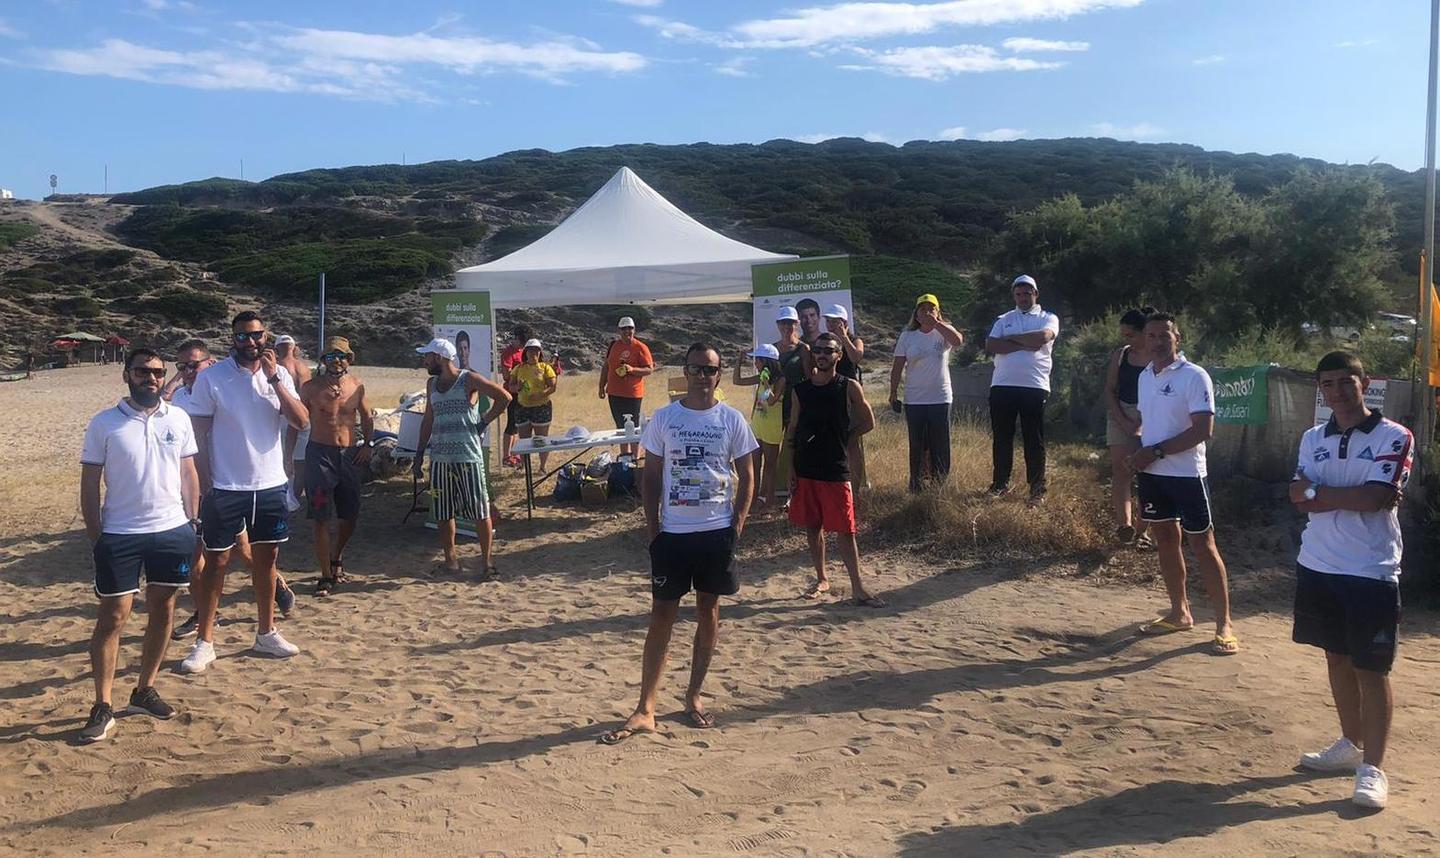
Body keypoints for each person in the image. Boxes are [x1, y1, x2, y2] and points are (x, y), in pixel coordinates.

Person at [600, 343, 757, 745]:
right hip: (672, 534)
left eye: (710, 369)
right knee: (661, 618)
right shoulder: (665, 419)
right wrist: (652, 529)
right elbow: (650, 477)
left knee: (709, 612)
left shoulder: (731, 419)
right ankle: (646, 708)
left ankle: (693, 696)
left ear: (719, 375)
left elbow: (748, 476)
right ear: (685, 372)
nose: (703, 376)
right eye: (696, 369)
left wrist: (736, 524)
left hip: (716, 532)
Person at [1289, 351, 1413, 810]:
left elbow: (1376, 498)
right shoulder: (1310, 437)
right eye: (1328, 384)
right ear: (1320, 389)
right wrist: (1325, 497)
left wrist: (1317, 494)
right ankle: (1349, 743)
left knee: (1372, 670)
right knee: (1336, 659)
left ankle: (1373, 770)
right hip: (1318, 564)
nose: (1338, 391)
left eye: (1347, 381)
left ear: (1365, 383)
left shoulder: (1394, 435)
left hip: (1370, 569)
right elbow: (1295, 495)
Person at [77, 348, 201, 743]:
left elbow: (189, 473)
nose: (151, 378)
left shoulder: (178, 418)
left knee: (164, 608)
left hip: (172, 530)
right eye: (143, 372)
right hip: (120, 533)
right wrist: (97, 536)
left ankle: (144, 689)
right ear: (126, 375)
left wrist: (193, 523)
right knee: (114, 616)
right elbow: (89, 484)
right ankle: (102, 704)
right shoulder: (104, 423)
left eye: (158, 373)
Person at [179, 311, 309, 673]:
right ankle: (205, 641)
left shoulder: (278, 374)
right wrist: (205, 483)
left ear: (265, 336)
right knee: (216, 564)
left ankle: (266, 633)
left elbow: (301, 420)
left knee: (267, 562)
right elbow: (199, 434)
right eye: (242, 337)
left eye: (256, 335)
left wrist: (275, 380)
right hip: (226, 485)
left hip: (269, 485)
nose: (250, 343)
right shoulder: (213, 378)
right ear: (231, 339)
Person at [1128, 313, 1237, 655]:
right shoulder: (1145, 376)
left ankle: (1224, 624)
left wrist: (1155, 451)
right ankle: (1179, 613)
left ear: (1178, 338)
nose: (1158, 342)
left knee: (1203, 545)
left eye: (1165, 335)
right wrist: (1139, 454)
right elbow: (1150, 423)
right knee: (1165, 540)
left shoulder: (1194, 376)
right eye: (1152, 335)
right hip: (1153, 476)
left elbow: (1203, 430)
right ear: (1144, 340)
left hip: (1188, 474)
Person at [164, 339, 287, 639]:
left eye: (194, 364)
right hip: (193, 487)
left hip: (226, 485)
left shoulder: (226, 386)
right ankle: (205, 616)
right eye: (181, 366)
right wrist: (177, 379)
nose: (188, 371)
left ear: (211, 362)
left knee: (244, 551)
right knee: (198, 557)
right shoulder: (180, 397)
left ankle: (276, 587)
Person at [787, 333, 885, 607]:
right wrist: (791, 466)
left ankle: (858, 587)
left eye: (828, 351)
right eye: (818, 350)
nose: (822, 355)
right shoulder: (800, 390)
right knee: (812, 525)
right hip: (806, 468)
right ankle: (821, 578)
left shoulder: (849, 386)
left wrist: (849, 438)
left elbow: (869, 421)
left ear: (838, 356)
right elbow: (793, 428)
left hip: (835, 468)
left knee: (845, 529)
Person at [413, 338, 511, 576]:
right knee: (444, 512)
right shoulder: (431, 384)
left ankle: (487, 563)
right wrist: (419, 455)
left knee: (480, 510)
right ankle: (451, 561)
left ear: (439, 357)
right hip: (440, 459)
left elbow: (504, 398)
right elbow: (428, 419)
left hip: (468, 457)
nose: (424, 360)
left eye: (427, 356)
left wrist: (483, 422)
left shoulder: (469, 380)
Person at [299, 337, 374, 596]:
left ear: (349, 359)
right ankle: (325, 575)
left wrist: (368, 444)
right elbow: (294, 420)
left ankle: (336, 557)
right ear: (323, 361)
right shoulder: (310, 388)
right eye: (330, 356)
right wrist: (288, 456)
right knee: (320, 516)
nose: (336, 361)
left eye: (341, 356)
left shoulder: (357, 386)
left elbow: (366, 416)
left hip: (349, 455)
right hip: (320, 454)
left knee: (349, 514)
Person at [984, 274, 1060, 504]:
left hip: (1034, 386)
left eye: (1027, 293)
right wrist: (1026, 342)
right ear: (1014, 296)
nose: (1023, 298)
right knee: (1002, 437)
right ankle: (999, 484)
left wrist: (1011, 340)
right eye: (1018, 294)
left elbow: (1043, 338)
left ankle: (1037, 488)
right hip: (1002, 385)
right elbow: (991, 344)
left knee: (1033, 439)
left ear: (1035, 294)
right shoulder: (1004, 319)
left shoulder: (1048, 317)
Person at [889, 293, 964, 492]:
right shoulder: (907, 336)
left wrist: (937, 324)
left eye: (931, 309)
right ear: (916, 314)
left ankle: (939, 484)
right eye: (923, 309)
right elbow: (897, 366)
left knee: (940, 442)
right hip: (915, 399)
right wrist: (893, 392)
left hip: (940, 397)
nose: (927, 312)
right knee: (917, 443)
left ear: (938, 312)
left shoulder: (944, 332)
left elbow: (957, 341)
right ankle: (917, 484)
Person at [1105, 307, 1155, 546]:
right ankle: (1123, 526)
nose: (1126, 340)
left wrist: (1143, 425)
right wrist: (1124, 421)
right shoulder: (1121, 355)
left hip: (1153, 416)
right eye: (1123, 335)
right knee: (1121, 471)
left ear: (1145, 332)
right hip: (1121, 413)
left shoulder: (1159, 358)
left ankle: (1142, 529)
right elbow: (1110, 390)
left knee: (1149, 474)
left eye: (1130, 335)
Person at [733, 343, 786, 508]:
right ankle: (753, 498)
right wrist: (739, 361)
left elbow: (771, 401)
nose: (756, 363)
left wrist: (767, 383)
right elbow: (737, 381)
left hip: (772, 427)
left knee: (769, 466)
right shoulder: (759, 377)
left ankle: (766, 500)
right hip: (757, 425)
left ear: (767, 362)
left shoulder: (781, 380)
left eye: (758, 360)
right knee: (754, 464)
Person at [824, 304, 869, 492]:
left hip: (850, 397)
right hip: (830, 395)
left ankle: (856, 489)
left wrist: (843, 338)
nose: (831, 325)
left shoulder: (854, 339)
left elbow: (856, 357)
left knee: (852, 443)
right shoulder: (826, 342)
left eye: (835, 321)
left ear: (844, 322)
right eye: (828, 321)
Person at [599, 316, 655, 457]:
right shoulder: (614, 345)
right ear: (619, 331)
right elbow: (606, 367)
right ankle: (625, 457)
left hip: (632, 394)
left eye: (630, 328)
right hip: (614, 393)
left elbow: (649, 369)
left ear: (634, 330)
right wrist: (601, 386)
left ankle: (635, 459)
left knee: (634, 428)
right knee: (620, 428)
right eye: (624, 329)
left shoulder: (640, 347)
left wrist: (632, 369)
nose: (627, 331)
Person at [276, 335, 313, 515]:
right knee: (301, 462)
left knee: (284, 458)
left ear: (278, 349)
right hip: (305, 417)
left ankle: (287, 499)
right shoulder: (304, 368)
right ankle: (296, 499)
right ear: (294, 347)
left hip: (285, 416)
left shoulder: (278, 367)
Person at [510, 338, 557, 472]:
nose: (533, 353)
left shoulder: (546, 367)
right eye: (530, 350)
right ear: (526, 352)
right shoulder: (518, 368)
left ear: (540, 352)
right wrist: (516, 387)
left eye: (536, 350)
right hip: (522, 407)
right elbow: (511, 386)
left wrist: (541, 394)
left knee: (541, 440)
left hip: (541, 407)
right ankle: (524, 466)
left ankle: (542, 467)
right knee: (524, 440)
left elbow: (553, 386)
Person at [499, 325, 534, 467]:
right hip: (512, 393)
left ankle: (515, 454)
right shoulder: (508, 352)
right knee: (511, 424)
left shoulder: (523, 351)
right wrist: (520, 375)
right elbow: (507, 375)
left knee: (520, 426)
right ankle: (506, 456)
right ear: (517, 339)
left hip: (524, 394)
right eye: (522, 342)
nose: (524, 345)